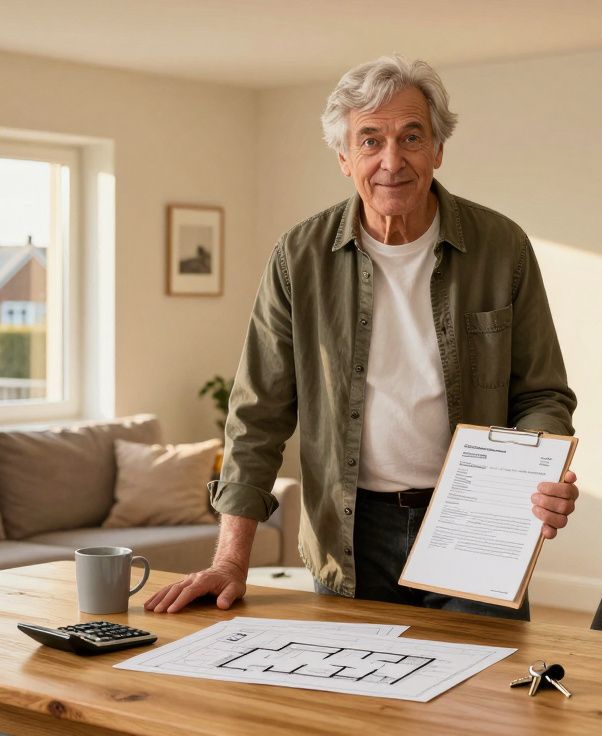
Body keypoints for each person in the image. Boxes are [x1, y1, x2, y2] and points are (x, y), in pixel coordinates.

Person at [146, 55, 579, 620]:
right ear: (344, 158)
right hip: (349, 532)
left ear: (439, 150)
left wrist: (541, 466)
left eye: (411, 137)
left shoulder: (503, 248)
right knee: (357, 707)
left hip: (473, 524)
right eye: (370, 140)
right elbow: (258, 415)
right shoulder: (297, 259)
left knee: (484, 703)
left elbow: (542, 393)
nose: (391, 161)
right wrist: (230, 561)